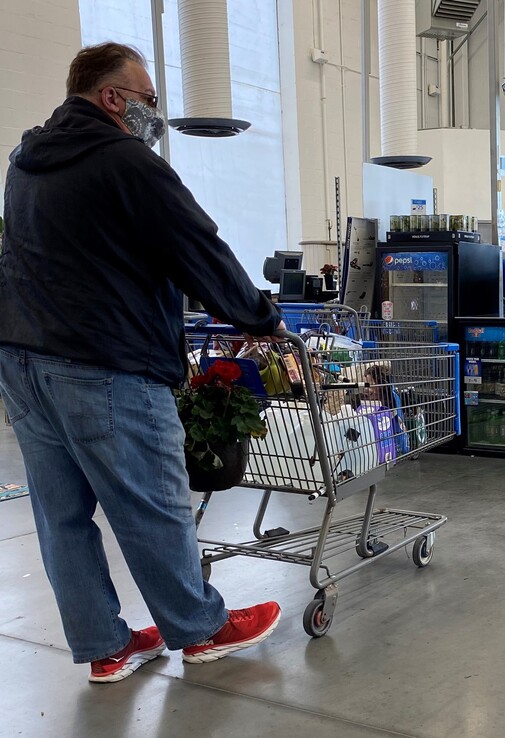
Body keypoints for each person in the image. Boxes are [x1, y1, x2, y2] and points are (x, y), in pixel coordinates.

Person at [0, 42, 286, 683]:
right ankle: (201, 627)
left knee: (60, 514)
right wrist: (260, 318)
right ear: (112, 98)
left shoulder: (26, 160)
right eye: (149, 101)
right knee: (151, 503)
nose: (154, 114)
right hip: (105, 362)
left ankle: (104, 644)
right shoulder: (125, 159)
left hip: (21, 358)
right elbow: (196, 246)